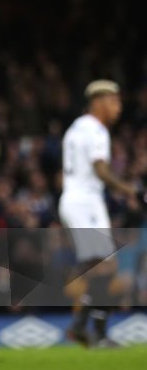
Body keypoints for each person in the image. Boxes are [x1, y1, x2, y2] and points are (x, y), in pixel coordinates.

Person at [59, 80, 139, 348]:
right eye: (114, 101)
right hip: (85, 203)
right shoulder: (97, 131)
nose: (119, 107)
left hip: (81, 202)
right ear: (99, 102)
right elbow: (100, 169)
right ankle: (92, 329)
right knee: (102, 267)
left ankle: (85, 329)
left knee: (107, 268)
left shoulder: (75, 129)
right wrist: (132, 190)